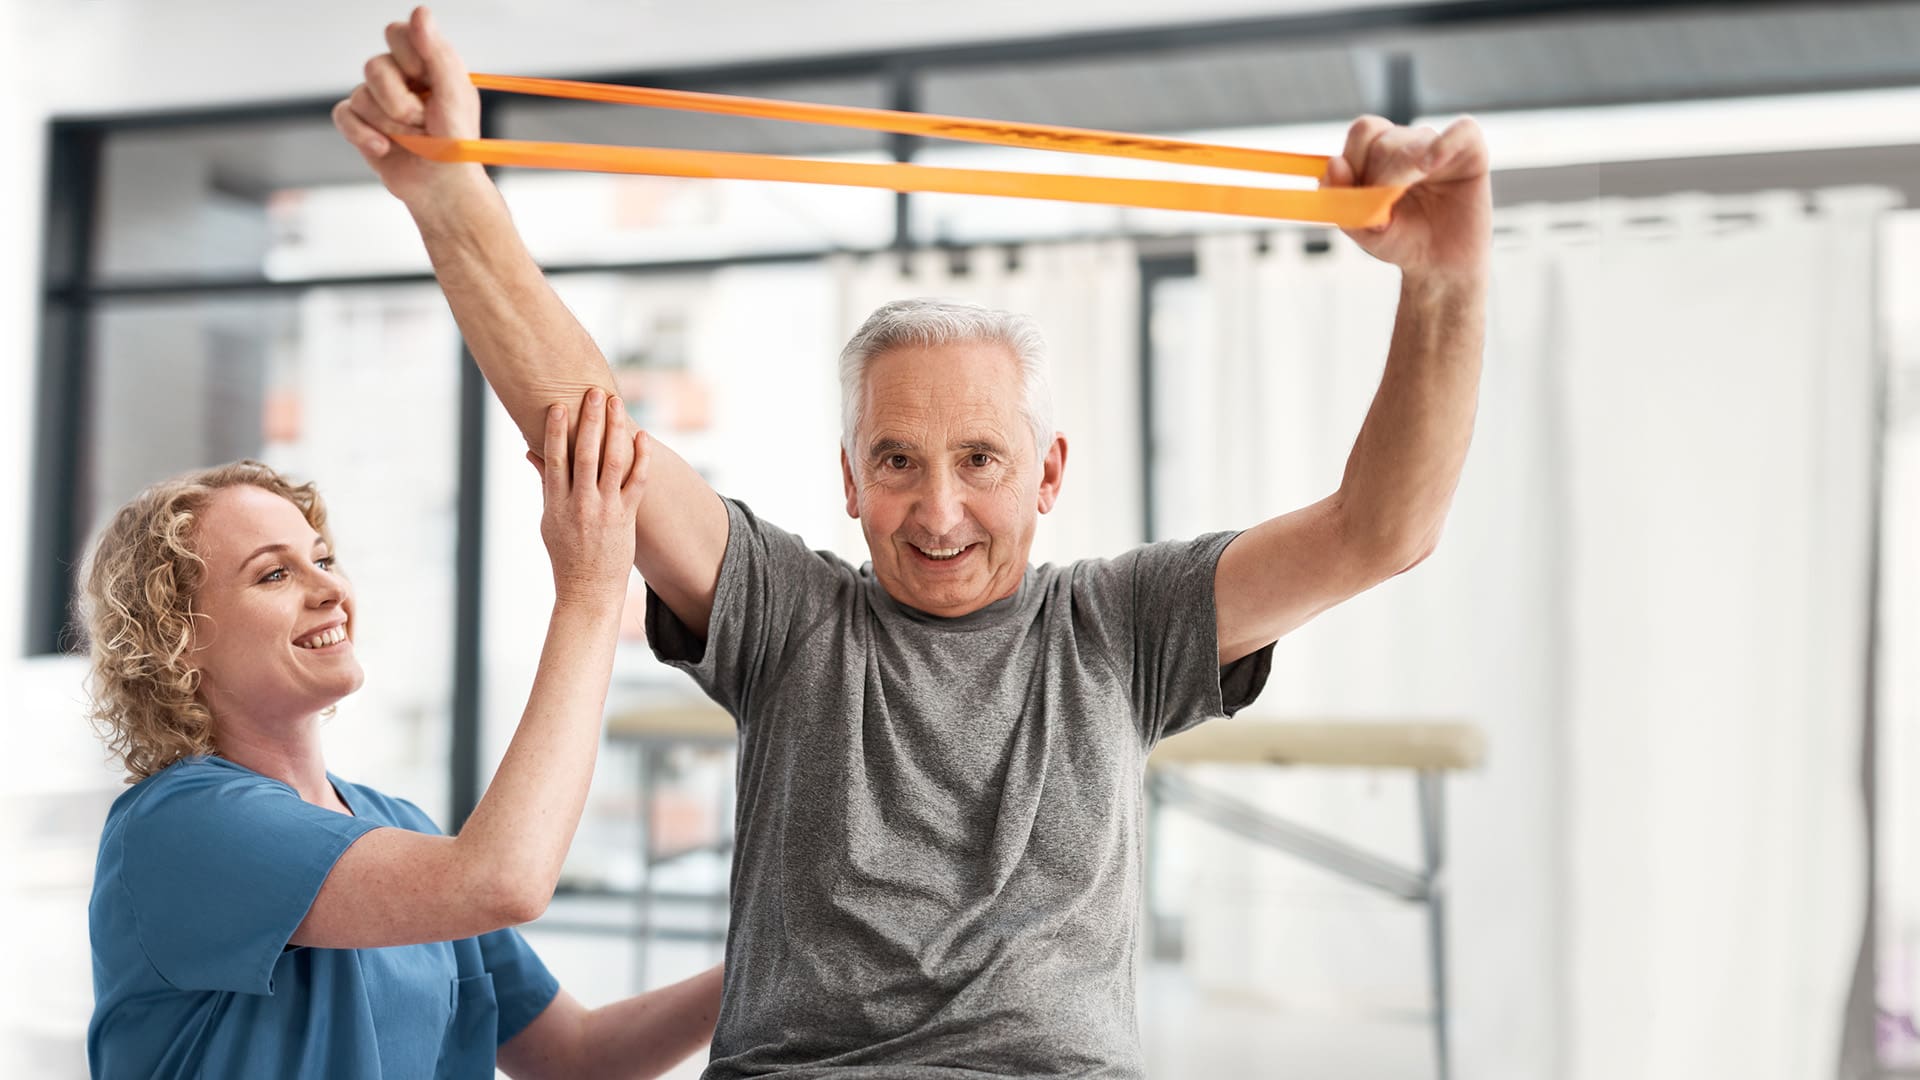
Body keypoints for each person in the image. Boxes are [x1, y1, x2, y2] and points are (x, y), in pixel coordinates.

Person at [334, 8, 1488, 1076]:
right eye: (897, 462)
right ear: (849, 478)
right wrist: (453, 197)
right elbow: (589, 436)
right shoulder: (791, 615)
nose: (937, 513)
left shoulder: (1123, 625)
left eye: (980, 460)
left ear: (1048, 472)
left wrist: (1442, 287)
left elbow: (1379, 531)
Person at [82, 397, 723, 1079]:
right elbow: (504, 880)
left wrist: (770, 950)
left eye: (323, 558)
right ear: (178, 642)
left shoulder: (397, 828)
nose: (327, 588)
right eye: (274, 573)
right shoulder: (180, 828)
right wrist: (590, 590)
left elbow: (576, 1055)